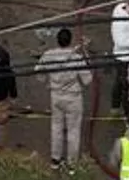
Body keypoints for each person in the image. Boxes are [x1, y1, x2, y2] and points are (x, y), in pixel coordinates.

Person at [38, 27, 92, 167]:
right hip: (73, 98)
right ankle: (71, 163)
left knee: (56, 127)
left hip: (55, 96)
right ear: (70, 41)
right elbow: (87, 80)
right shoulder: (76, 58)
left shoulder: (48, 55)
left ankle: (55, 159)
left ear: (57, 41)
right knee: (73, 130)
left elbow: (40, 76)